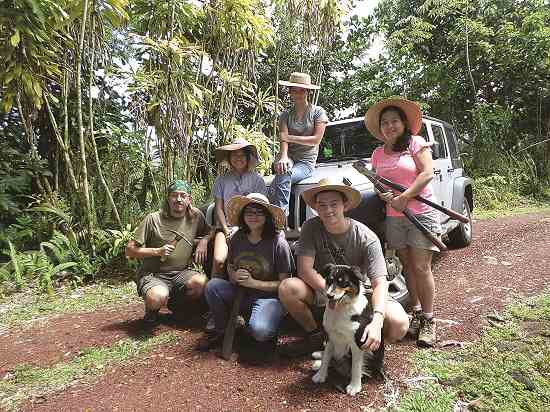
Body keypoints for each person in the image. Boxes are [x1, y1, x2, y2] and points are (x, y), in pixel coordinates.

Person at [278, 177, 409, 357]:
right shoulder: (311, 227)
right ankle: (317, 336)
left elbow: (380, 283)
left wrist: (378, 320)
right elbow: (305, 270)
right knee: (288, 287)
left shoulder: (366, 237)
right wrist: (334, 293)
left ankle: (363, 345)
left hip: (360, 293)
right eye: (322, 205)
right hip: (325, 290)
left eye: (334, 204)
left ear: (345, 206)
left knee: (399, 325)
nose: (328, 210)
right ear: (315, 208)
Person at [365, 98, 442, 347]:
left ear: (404, 123)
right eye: (385, 123)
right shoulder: (377, 154)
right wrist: (384, 196)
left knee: (421, 267)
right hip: (395, 218)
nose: (389, 126)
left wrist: (404, 197)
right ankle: (417, 314)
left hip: (420, 213)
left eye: (394, 121)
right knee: (407, 266)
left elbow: (427, 173)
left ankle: (429, 320)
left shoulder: (416, 144)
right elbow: (378, 184)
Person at [198, 193, 294, 360]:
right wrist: (234, 276)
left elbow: (284, 284)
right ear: (243, 215)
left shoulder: (278, 243)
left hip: (268, 299)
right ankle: (225, 329)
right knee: (213, 286)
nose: (254, 216)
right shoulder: (237, 238)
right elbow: (230, 266)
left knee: (260, 331)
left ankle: (257, 329)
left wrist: (253, 283)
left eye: (259, 212)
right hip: (240, 294)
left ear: (268, 216)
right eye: (249, 212)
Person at [126, 180, 210, 324]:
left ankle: (177, 306)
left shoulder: (195, 216)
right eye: (174, 195)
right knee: (157, 296)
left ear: (189, 199)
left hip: (181, 273)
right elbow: (130, 250)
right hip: (154, 274)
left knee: (202, 283)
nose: (178, 199)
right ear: (168, 198)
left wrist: (204, 241)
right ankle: (152, 311)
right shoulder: (153, 219)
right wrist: (158, 251)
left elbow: (211, 232)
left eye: (183, 195)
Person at [270, 72, 329, 216]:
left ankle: (281, 217)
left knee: (283, 175)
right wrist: (283, 157)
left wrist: (290, 137)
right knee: (280, 172)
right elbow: (283, 140)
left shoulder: (317, 112)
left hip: (306, 161)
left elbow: (315, 140)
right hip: (288, 157)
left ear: (308, 91)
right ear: (290, 92)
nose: (298, 93)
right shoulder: (285, 115)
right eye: (294, 90)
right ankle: (272, 215)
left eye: (302, 90)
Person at [210, 137, 267, 278]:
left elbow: (263, 207)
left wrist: (250, 229)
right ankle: (212, 290)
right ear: (229, 158)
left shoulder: (257, 179)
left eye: (242, 155)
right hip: (226, 227)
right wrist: (225, 229)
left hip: (252, 228)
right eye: (234, 155)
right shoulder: (221, 180)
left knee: (248, 263)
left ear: (248, 157)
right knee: (218, 260)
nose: (238, 158)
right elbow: (218, 208)